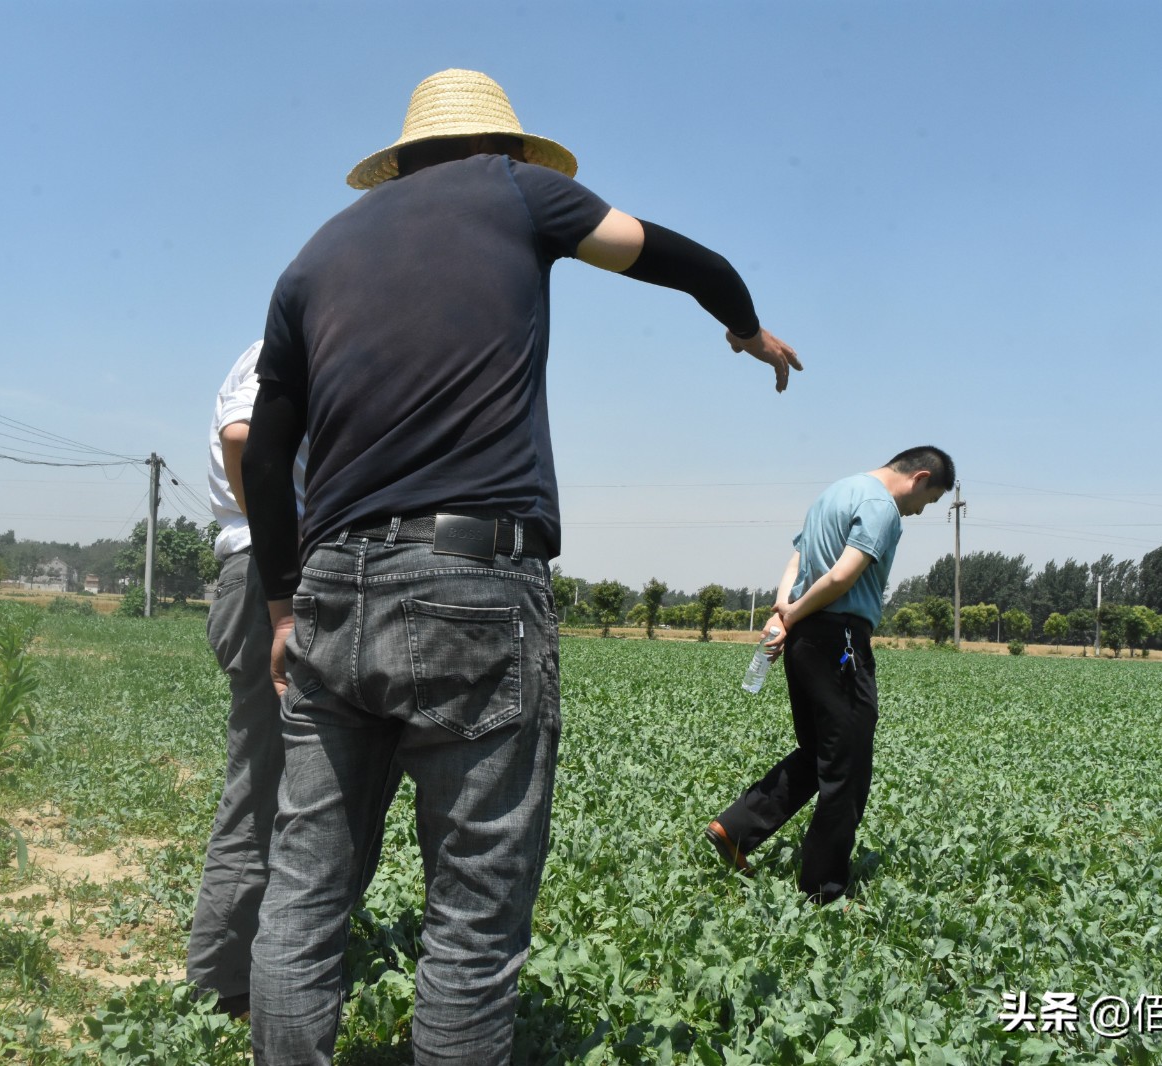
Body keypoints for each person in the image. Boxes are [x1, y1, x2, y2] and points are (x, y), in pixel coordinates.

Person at [241, 68, 800, 1064]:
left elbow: (271, 438)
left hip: (330, 586)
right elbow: (682, 256)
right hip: (469, 582)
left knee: (304, 891)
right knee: (471, 910)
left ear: (401, 161)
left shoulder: (315, 254)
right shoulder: (513, 191)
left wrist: (280, 603)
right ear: (496, 148)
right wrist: (744, 327)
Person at [705, 446, 956, 903]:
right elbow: (842, 577)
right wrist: (795, 612)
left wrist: (785, 615)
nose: (920, 511)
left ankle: (736, 829)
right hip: (839, 637)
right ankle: (823, 889)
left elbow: (796, 560)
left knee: (818, 751)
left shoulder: (836, 492)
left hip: (806, 642)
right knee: (849, 768)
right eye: (929, 500)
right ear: (920, 477)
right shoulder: (881, 506)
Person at [185, 340, 306, 1018]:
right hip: (269, 573)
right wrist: (283, 563)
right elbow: (242, 435)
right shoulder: (283, 344)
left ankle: (270, 958)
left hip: (270, 570)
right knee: (263, 785)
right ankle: (226, 980)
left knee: (283, 783)